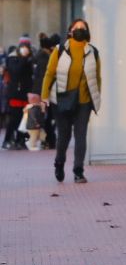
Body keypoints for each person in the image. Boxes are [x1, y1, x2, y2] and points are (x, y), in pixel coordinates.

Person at [43, 19, 103, 187]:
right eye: (76, 28)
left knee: (81, 135)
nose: (79, 30)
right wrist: (44, 96)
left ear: (87, 32)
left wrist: (96, 98)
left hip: (84, 101)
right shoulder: (60, 50)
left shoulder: (93, 52)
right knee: (64, 136)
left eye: (82, 28)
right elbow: (49, 74)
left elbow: (97, 78)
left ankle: (78, 171)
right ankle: (59, 162)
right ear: (70, 31)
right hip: (61, 99)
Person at [2, 40, 32, 149]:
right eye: (23, 47)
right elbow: (16, 71)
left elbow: (29, 76)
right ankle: (7, 139)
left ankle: (20, 140)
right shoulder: (12, 58)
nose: (25, 49)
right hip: (15, 93)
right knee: (14, 118)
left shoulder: (29, 60)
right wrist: (24, 59)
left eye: (27, 47)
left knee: (23, 119)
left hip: (25, 93)